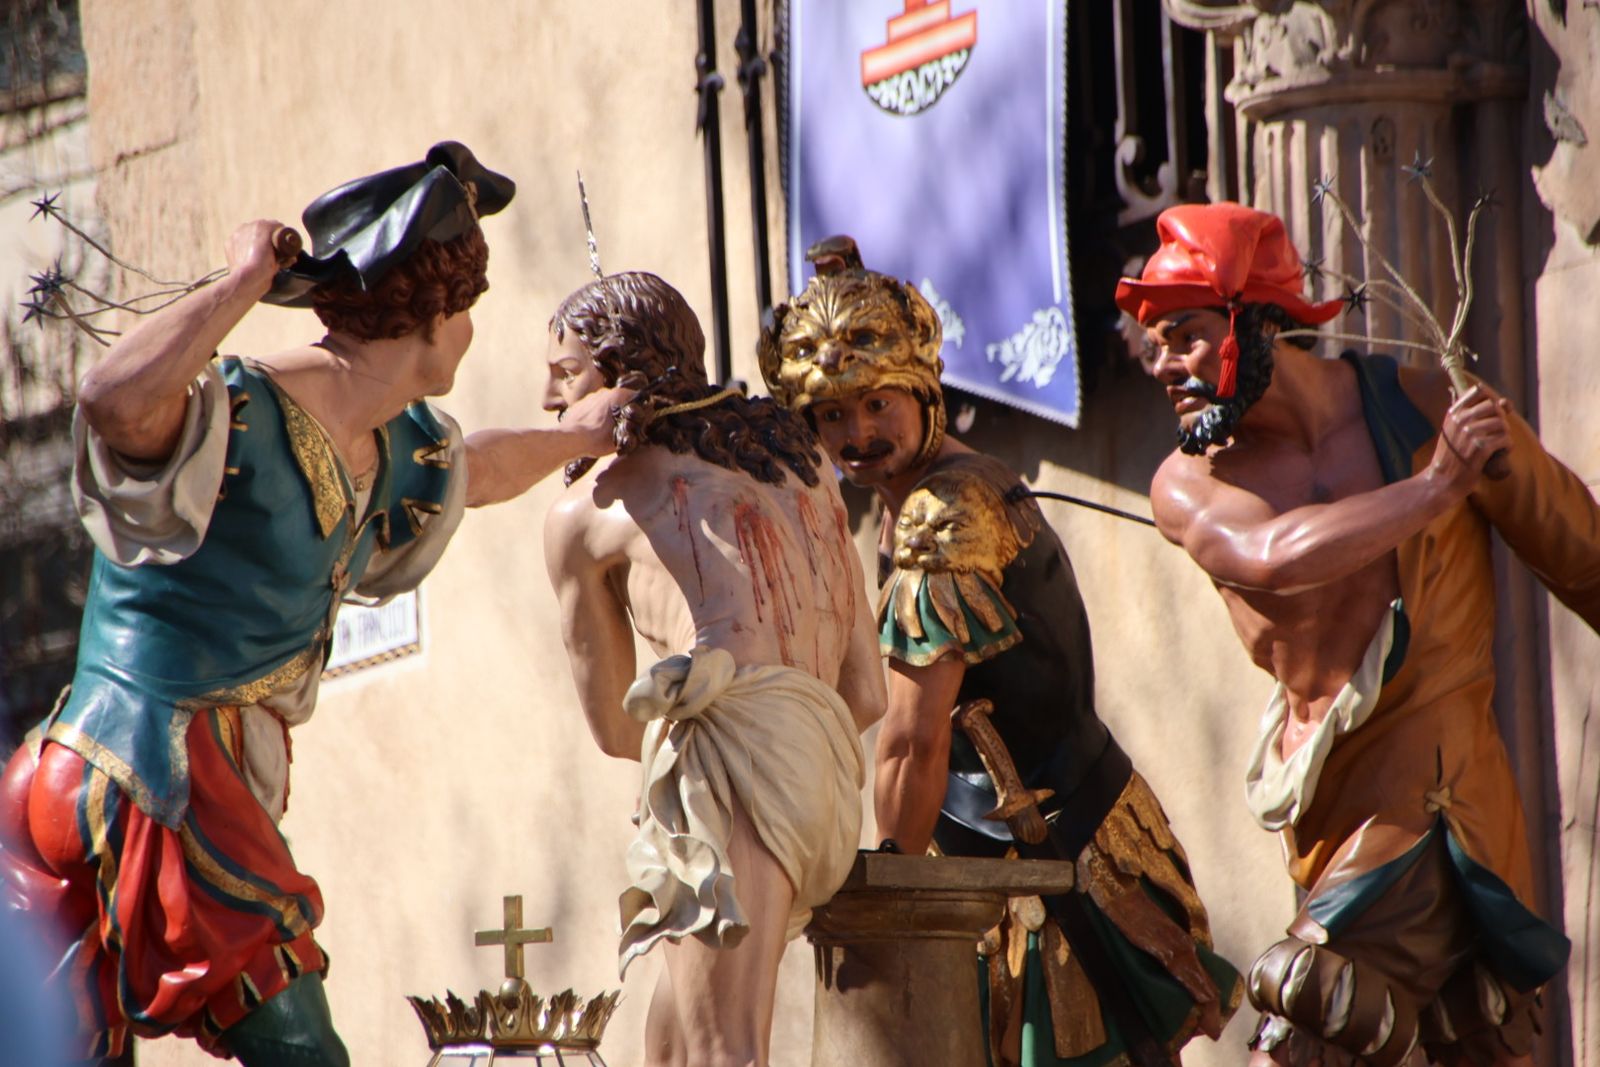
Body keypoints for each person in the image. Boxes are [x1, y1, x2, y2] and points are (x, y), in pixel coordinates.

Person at [0, 143, 627, 1066]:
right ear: (436, 316)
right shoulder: (237, 411)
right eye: (470, 310)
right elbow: (112, 400)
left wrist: (574, 434)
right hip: (153, 771)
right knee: (301, 1047)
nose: (471, 333)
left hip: (117, 772)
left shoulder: (392, 446)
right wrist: (241, 282)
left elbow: (479, 467)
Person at [1116, 200, 1600, 1067]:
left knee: (1306, 1015)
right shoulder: (1185, 484)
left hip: (1434, 799)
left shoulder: (1424, 411)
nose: (1164, 365)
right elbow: (1270, 557)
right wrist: (1432, 491)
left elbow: (1583, 554)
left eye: (1184, 334)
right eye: (1153, 342)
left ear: (1256, 323)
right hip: (1329, 809)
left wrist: (1461, 467)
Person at [759, 236, 1241, 1067]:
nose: (857, 433)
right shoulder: (956, 482)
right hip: (1043, 842)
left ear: (924, 389)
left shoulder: (940, 514)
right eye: (831, 414)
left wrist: (894, 897)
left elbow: (914, 738)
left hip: (1044, 865)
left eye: (876, 404)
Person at [541, 270, 886, 1067]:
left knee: (728, 1049)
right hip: (828, 782)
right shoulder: (801, 462)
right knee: (674, 1039)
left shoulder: (590, 509)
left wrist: (710, 721)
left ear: (618, 372)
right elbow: (866, 691)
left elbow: (615, 727)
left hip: (723, 776)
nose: (547, 399)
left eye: (564, 374)